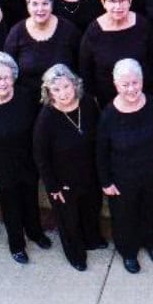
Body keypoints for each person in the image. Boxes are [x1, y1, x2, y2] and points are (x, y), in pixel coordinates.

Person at [0, 52, 52, 264]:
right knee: (11, 210)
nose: (2, 82)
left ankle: (35, 233)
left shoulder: (25, 96)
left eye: (6, 77)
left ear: (14, 76)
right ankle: (16, 245)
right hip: (2, 171)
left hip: (28, 164)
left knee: (31, 202)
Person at [97, 58, 153, 273]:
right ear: (116, 85)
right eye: (125, 84)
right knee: (125, 217)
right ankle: (128, 251)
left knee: (149, 210)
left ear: (142, 81)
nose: (131, 89)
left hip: (150, 172)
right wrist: (105, 181)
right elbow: (100, 151)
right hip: (122, 177)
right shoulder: (108, 114)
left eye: (135, 82)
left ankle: (151, 242)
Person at [33, 64, 104, 271]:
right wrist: (52, 186)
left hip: (90, 174)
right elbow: (41, 156)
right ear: (48, 92)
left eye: (66, 86)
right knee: (69, 220)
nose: (63, 93)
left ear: (75, 84)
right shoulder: (46, 118)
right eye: (56, 89)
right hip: (63, 181)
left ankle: (92, 239)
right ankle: (75, 254)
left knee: (92, 210)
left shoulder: (88, 103)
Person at [79, 0, 153, 106]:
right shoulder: (93, 32)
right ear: (103, 2)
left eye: (122, 0)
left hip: (142, 97)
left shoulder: (142, 25)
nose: (118, 6)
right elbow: (86, 71)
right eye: (112, 1)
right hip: (108, 102)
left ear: (130, 1)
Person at [5, 0, 83, 100]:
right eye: (35, 4)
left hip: (63, 99)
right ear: (28, 5)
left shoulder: (69, 31)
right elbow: (9, 70)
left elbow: (80, 66)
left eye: (45, 3)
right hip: (27, 101)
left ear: (52, 5)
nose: (40, 9)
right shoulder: (16, 33)